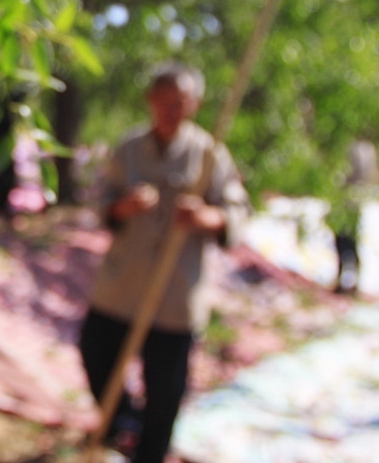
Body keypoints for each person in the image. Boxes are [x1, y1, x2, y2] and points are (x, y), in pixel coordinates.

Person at [79, 63, 249, 463]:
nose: (172, 110)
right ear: (151, 101)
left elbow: (237, 212)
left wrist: (207, 217)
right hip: (123, 286)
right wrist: (125, 206)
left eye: (181, 102)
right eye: (165, 101)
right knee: (96, 351)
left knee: (166, 388)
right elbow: (100, 204)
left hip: (175, 293)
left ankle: (151, 453)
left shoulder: (210, 154)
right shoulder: (128, 149)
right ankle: (123, 424)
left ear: (194, 104)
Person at [328, 138, 376, 295]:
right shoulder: (367, 148)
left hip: (347, 199)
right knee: (349, 241)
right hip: (354, 198)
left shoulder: (352, 148)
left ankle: (347, 280)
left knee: (345, 241)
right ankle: (351, 281)